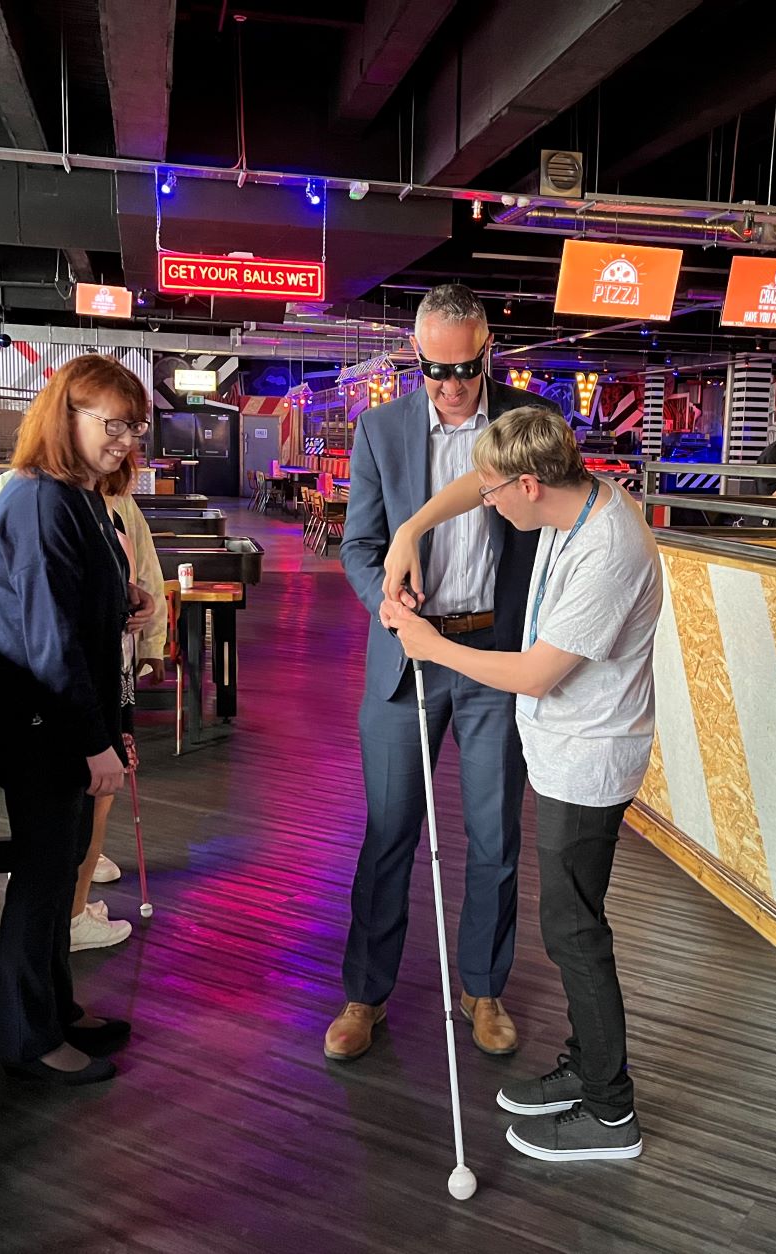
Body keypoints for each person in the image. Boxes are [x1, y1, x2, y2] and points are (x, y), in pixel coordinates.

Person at [382, 406, 662, 1162]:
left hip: (589, 756)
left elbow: (536, 673)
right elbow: (473, 486)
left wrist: (431, 644)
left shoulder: (609, 549)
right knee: (571, 922)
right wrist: (409, 531)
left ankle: (611, 1115)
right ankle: (588, 1067)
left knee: (573, 932)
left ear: (532, 485)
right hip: (566, 746)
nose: (488, 502)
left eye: (498, 492)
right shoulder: (573, 498)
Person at [328, 283, 547, 1063]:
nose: (452, 385)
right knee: (389, 834)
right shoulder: (379, 429)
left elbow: (552, 532)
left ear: (490, 351)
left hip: (494, 656)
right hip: (406, 658)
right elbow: (358, 544)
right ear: (412, 360)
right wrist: (386, 602)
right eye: (434, 370)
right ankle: (366, 994)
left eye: (466, 367)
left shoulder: (530, 423)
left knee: (494, 837)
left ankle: (483, 988)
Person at [0, 355, 158, 1085]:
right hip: (44, 726)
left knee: (63, 871)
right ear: (68, 416)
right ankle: (28, 1038)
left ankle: (55, 1008)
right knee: (44, 877)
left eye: (132, 426)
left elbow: (81, 599)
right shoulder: (43, 499)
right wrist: (95, 744)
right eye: (113, 424)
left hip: (62, 718)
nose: (125, 440)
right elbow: (49, 638)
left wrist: (130, 598)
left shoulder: (77, 494)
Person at [0, 465, 168, 951]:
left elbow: (144, 570)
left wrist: (141, 616)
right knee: (73, 801)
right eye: (113, 426)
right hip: (57, 683)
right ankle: (70, 909)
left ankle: (80, 879)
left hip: (106, 661)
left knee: (96, 794)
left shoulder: (104, 494)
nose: (122, 446)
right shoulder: (27, 493)